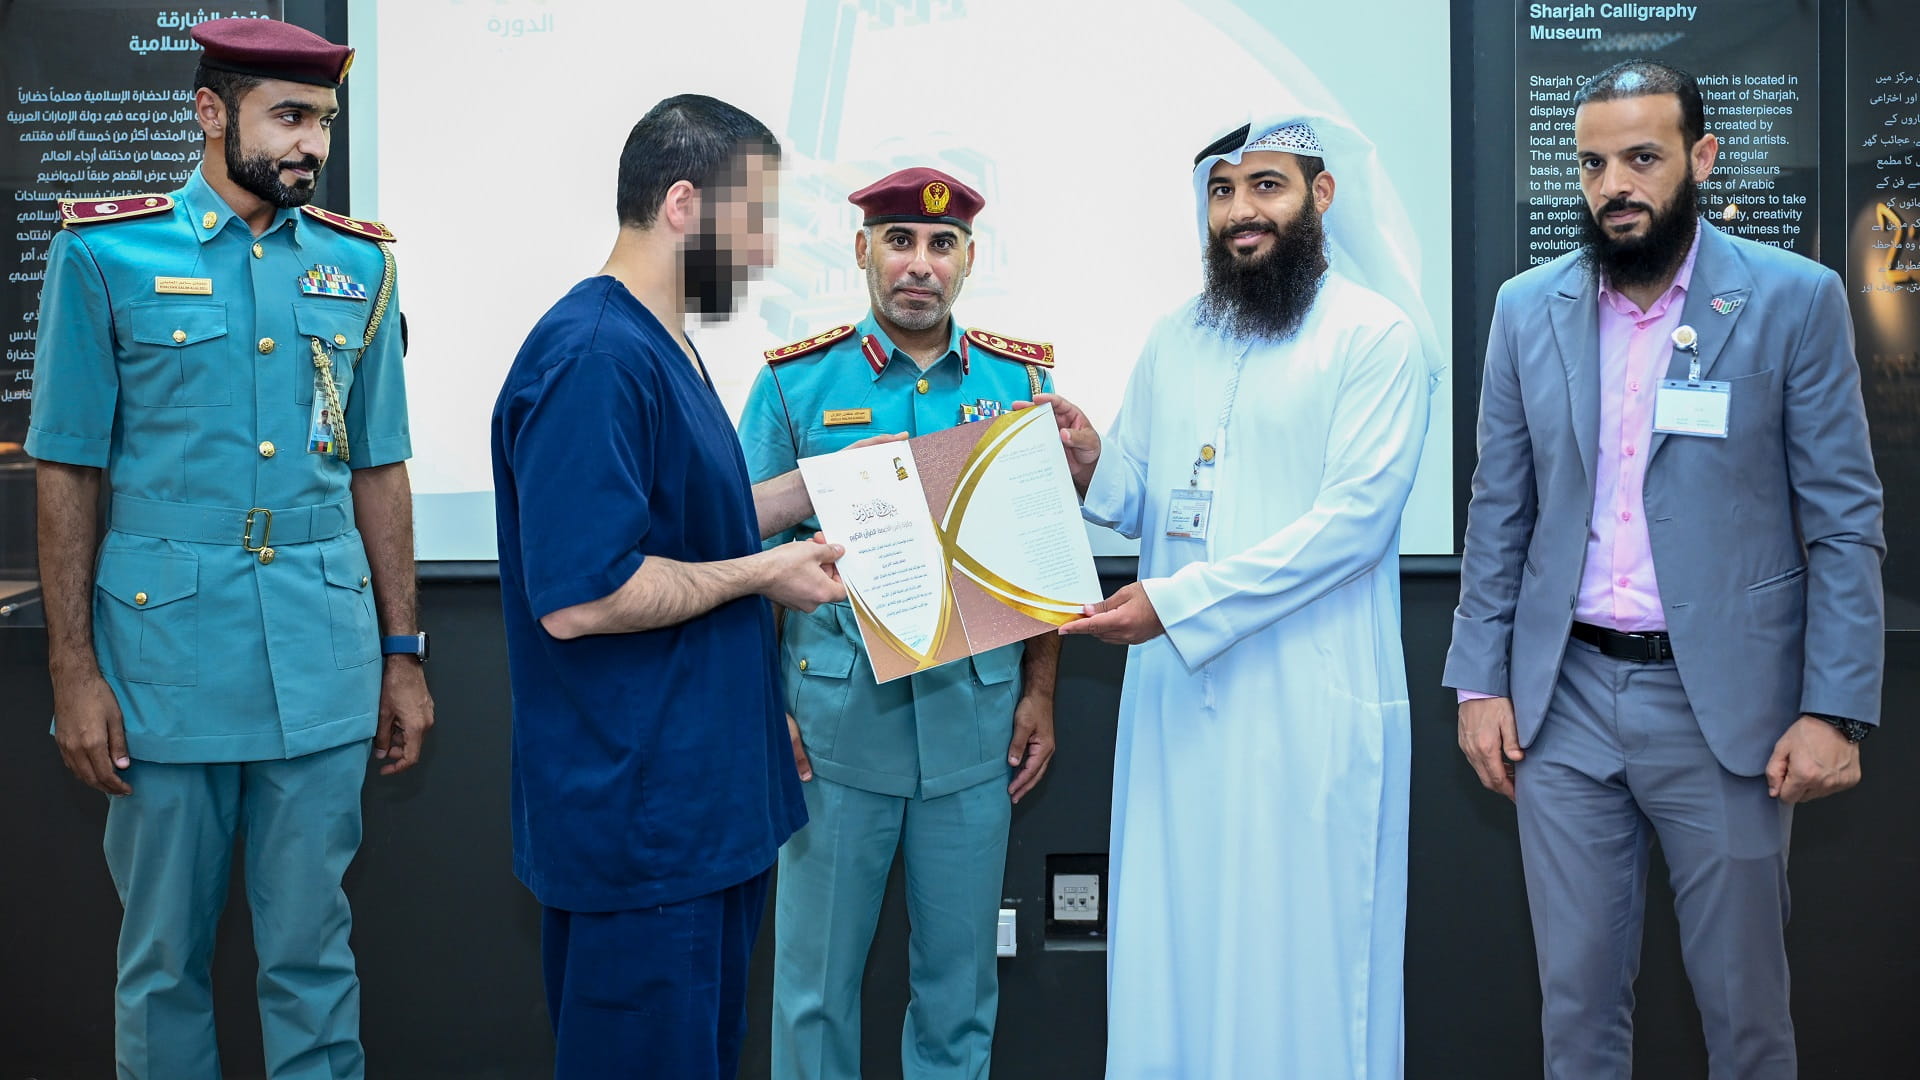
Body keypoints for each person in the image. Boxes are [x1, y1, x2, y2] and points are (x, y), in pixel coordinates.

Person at [1445, 59, 1883, 1079]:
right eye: (1595, 163)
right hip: (1562, 708)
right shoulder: (1527, 308)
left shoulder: (1794, 301)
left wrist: (1835, 707)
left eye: (1642, 158)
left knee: (1745, 1016)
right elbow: (1499, 509)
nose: (1617, 186)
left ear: (1702, 157)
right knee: (1577, 1014)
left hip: (1726, 708)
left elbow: (1844, 521)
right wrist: (1480, 681)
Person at [27, 17, 432, 1077]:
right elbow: (67, 467)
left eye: (325, 123)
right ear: (211, 114)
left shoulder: (361, 266)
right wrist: (71, 668)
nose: (312, 144)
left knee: (313, 953)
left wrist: (404, 653)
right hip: (162, 661)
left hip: (322, 650)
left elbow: (379, 467)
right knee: (163, 962)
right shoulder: (105, 251)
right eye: (289, 117)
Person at [1034, 112, 1440, 1078]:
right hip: (1179, 705)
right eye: (1222, 191)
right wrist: (1090, 462)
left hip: (1307, 701)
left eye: (1267, 186)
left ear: (1321, 196)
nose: (1240, 212)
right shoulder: (1177, 336)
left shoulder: (1373, 336)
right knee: (1175, 940)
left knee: (1300, 953)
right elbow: (1139, 493)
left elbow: (1354, 526)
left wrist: (1174, 604)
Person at [492, 95, 871, 1080]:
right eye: (759, 217)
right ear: (685, 205)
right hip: (644, 834)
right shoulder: (593, 356)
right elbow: (583, 595)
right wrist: (767, 572)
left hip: (703, 818)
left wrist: (832, 484)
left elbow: (687, 517)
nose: (769, 247)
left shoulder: (661, 341)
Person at [737, 167, 1060, 1079]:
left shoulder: (1017, 378)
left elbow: (1038, 555)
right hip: (833, 734)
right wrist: (767, 709)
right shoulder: (796, 385)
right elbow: (736, 551)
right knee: (814, 991)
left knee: (959, 995)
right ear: (862, 251)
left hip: (973, 729)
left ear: (966, 259)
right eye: (900, 242)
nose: (920, 264)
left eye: (941, 244)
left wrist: (1040, 691)